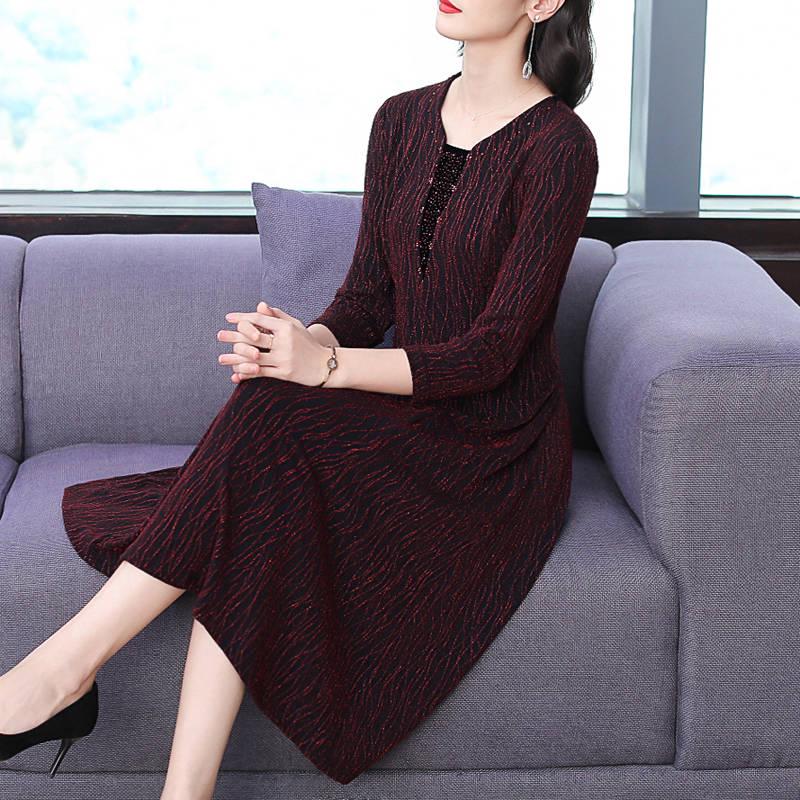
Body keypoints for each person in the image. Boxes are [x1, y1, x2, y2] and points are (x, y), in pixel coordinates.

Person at [0, 0, 598, 796]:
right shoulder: (400, 119)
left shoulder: (561, 147)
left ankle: (58, 675)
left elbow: (493, 352)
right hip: (409, 412)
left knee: (270, 438)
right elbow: (367, 299)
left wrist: (326, 368)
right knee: (269, 417)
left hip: (494, 448)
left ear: (542, 2)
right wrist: (297, 344)